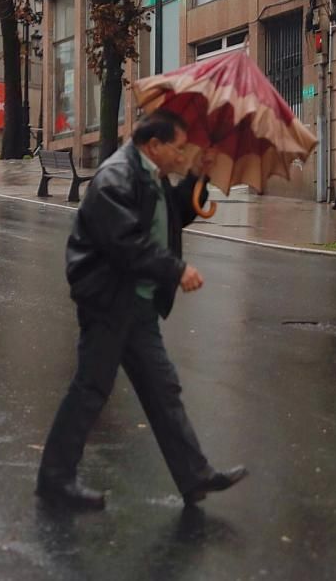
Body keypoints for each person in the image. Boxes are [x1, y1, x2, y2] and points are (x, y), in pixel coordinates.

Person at [35, 109, 248, 511]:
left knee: (162, 388)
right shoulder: (116, 178)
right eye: (179, 148)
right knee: (91, 388)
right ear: (154, 145)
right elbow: (127, 243)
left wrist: (198, 176)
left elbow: (171, 218)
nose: (182, 153)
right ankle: (55, 479)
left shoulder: (150, 175)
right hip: (109, 299)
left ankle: (194, 475)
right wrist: (178, 269)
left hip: (138, 303)